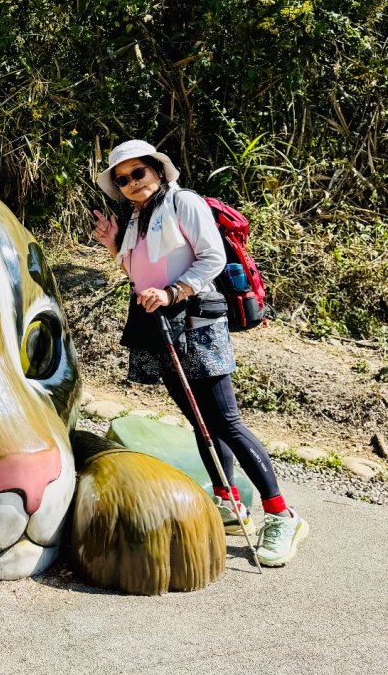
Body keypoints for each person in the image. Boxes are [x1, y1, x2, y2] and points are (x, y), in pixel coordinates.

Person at [90, 139, 308, 567]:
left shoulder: (183, 202)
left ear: (156, 169)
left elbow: (211, 258)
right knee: (199, 419)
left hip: (197, 321)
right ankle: (229, 499)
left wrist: (173, 292)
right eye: (123, 179)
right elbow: (139, 273)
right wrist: (115, 246)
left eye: (139, 173)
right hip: (159, 325)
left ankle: (282, 514)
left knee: (225, 420)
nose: (132, 183)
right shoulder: (136, 218)